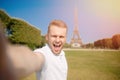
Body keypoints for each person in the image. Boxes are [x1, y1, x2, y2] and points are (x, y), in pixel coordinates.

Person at [0, 19, 68, 80]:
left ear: (65, 39)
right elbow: (34, 59)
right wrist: (7, 59)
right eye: (54, 36)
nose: (57, 40)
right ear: (47, 37)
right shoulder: (44, 53)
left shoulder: (62, 54)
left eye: (61, 37)